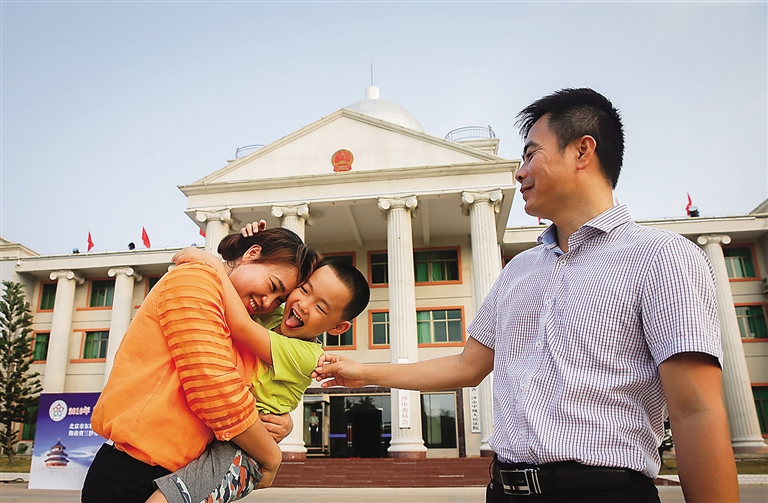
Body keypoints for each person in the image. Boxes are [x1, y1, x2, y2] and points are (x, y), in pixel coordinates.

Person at [314, 88, 739, 502]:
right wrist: (365, 372)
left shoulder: (661, 257)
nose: (519, 172)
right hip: (506, 490)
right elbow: (467, 365)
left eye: (531, 154)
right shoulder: (518, 271)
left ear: (582, 151)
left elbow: (695, 411)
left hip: (603, 492)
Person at [83, 227, 322, 503]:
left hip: (184, 476)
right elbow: (215, 391)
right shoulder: (194, 280)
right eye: (272, 286)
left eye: (279, 300)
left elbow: (254, 389)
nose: (268, 302)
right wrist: (270, 456)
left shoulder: (243, 319)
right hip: (133, 474)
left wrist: (279, 421)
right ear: (252, 253)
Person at [145, 246, 370, 503]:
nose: (303, 305)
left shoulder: (308, 355)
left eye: (320, 307)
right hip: (228, 431)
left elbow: (240, 325)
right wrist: (244, 247)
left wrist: (212, 264)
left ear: (338, 327)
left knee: (173, 497)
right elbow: (244, 288)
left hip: (245, 452)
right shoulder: (275, 316)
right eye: (305, 290)